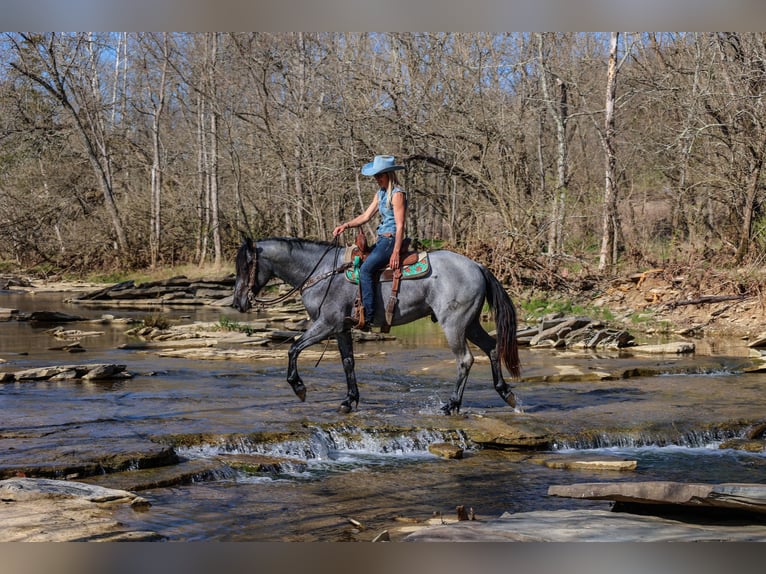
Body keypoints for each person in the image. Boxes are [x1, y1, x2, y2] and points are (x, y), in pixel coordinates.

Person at [333, 155, 407, 330]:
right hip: (382, 239)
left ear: (389, 174)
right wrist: (346, 225)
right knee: (360, 264)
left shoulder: (397, 194)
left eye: (380, 175)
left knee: (366, 270)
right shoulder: (380, 193)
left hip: (390, 240)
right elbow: (366, 216)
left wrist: (396, 251)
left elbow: (400, 225)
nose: (377, 179)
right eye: (375, 175)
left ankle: (369, 317)